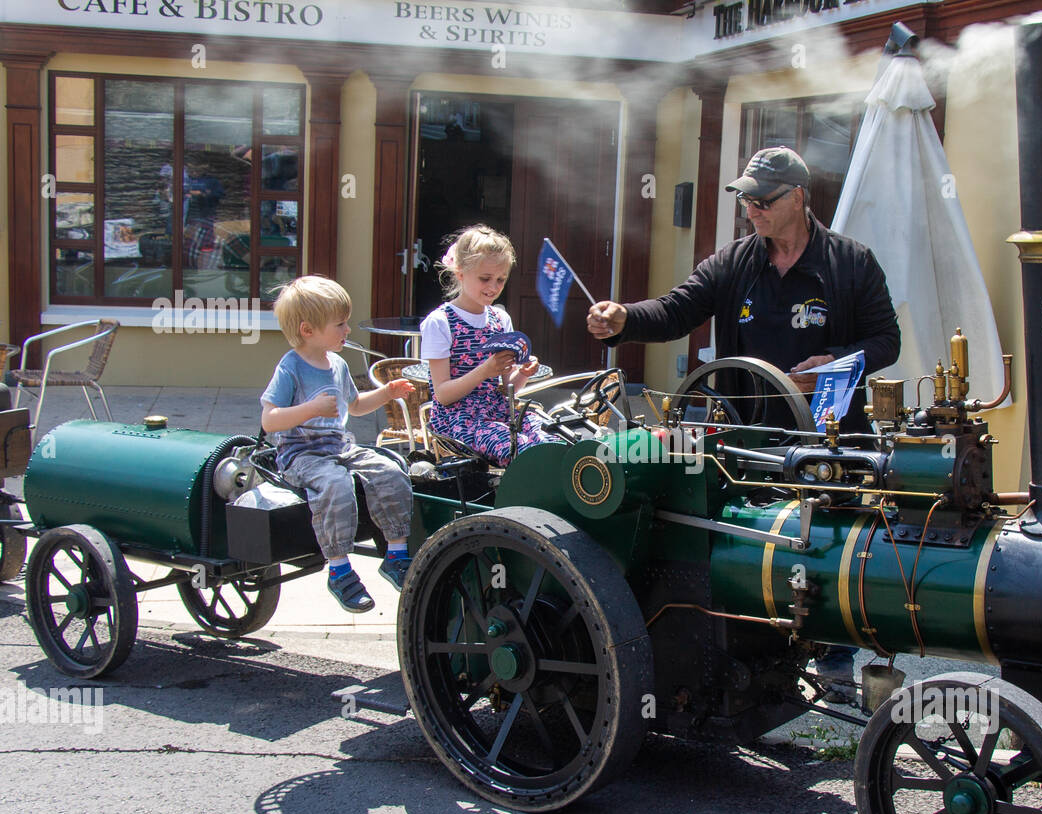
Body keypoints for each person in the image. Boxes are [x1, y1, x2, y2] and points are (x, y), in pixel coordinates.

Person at [587, 145, 901, 698]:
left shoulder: (851, 262)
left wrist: (838, 361)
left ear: (798, 197)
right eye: (745, 200)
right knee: (747, 547)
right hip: (747, 434)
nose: (750, 210)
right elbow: (677, 310)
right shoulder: (735, 262)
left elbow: (886, 341)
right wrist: (624, 319)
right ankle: (758, 667)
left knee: (831, 546)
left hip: (827, 435)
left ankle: (835, 661)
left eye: (761, 200)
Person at [261, 276, 417, 613]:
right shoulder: (291, 367)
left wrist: (386, 394)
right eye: (340, 324)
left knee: (389, 470)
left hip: (338, 446)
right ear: (308, 330)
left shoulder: (338, 364)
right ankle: (339, 568)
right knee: (335, 485)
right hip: (300, 452)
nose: (347, 330)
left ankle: (396, 554)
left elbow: (356, 405)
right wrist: (309, 409)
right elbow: (269, 420)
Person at [421, 225, 564, 465]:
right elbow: (443, 395)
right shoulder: (440, 322)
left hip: (499, 414)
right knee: (521, 451)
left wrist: (523, 373)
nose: (493, 287)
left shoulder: (500, 319)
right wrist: (485, 370)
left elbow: (507, 388)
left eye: (500, 280)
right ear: (460, 272)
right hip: (458, 422)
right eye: (485, 278)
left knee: (553, 439)